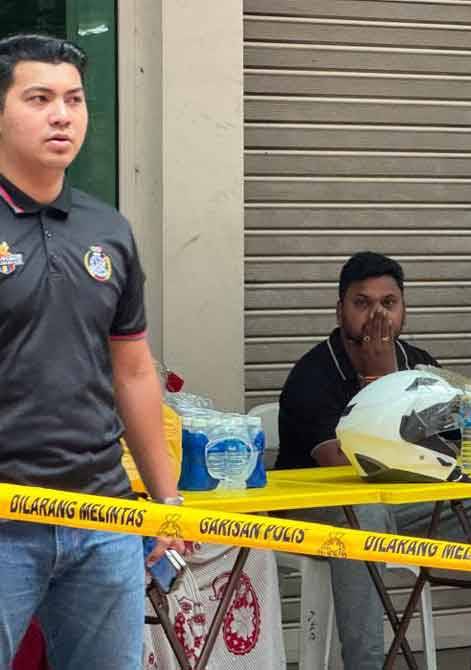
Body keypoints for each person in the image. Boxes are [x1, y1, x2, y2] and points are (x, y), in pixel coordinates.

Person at [0, 34, 185, 668]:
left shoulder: (108, 230)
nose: (61, 115)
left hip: (103, 514)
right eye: (39, 97)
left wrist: (165, 500)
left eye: (74, 100)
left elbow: (132, 371)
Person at [277, 251, 471, 670]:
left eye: (388, 303)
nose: (377, 315)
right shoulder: (314, 373)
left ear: (404, 310)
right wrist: (378, 382)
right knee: (365, 515)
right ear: (340, 309)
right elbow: (348, 464)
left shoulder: (420, 364)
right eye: (362, 304)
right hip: (319, 506)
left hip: (406, 503)